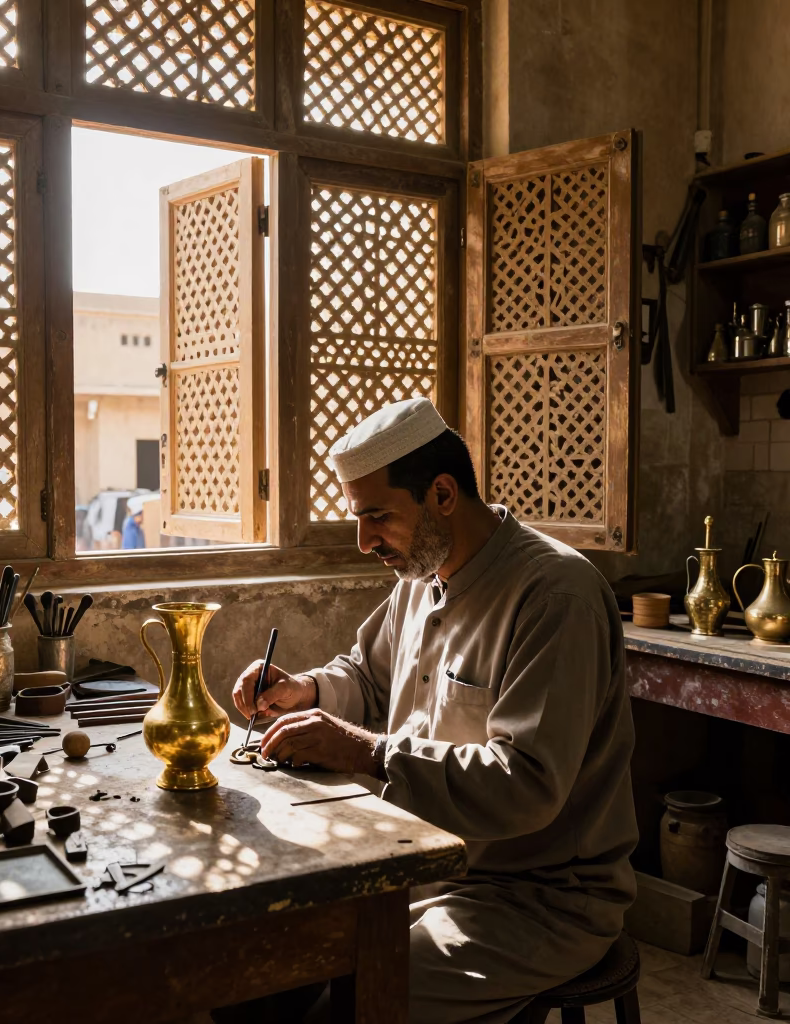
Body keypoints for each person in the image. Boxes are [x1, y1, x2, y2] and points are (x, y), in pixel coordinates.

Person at [230, 398, 637, 1024]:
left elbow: (526, 782)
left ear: (442, 494)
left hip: (538, 898)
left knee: (351, 1005)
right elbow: (368, 675)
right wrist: (304, 689)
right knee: (250, 973)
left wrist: (365, 751)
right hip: (420, 861)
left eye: (377, 518)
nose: (365, 542)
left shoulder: (555, 595)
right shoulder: (419, 582)